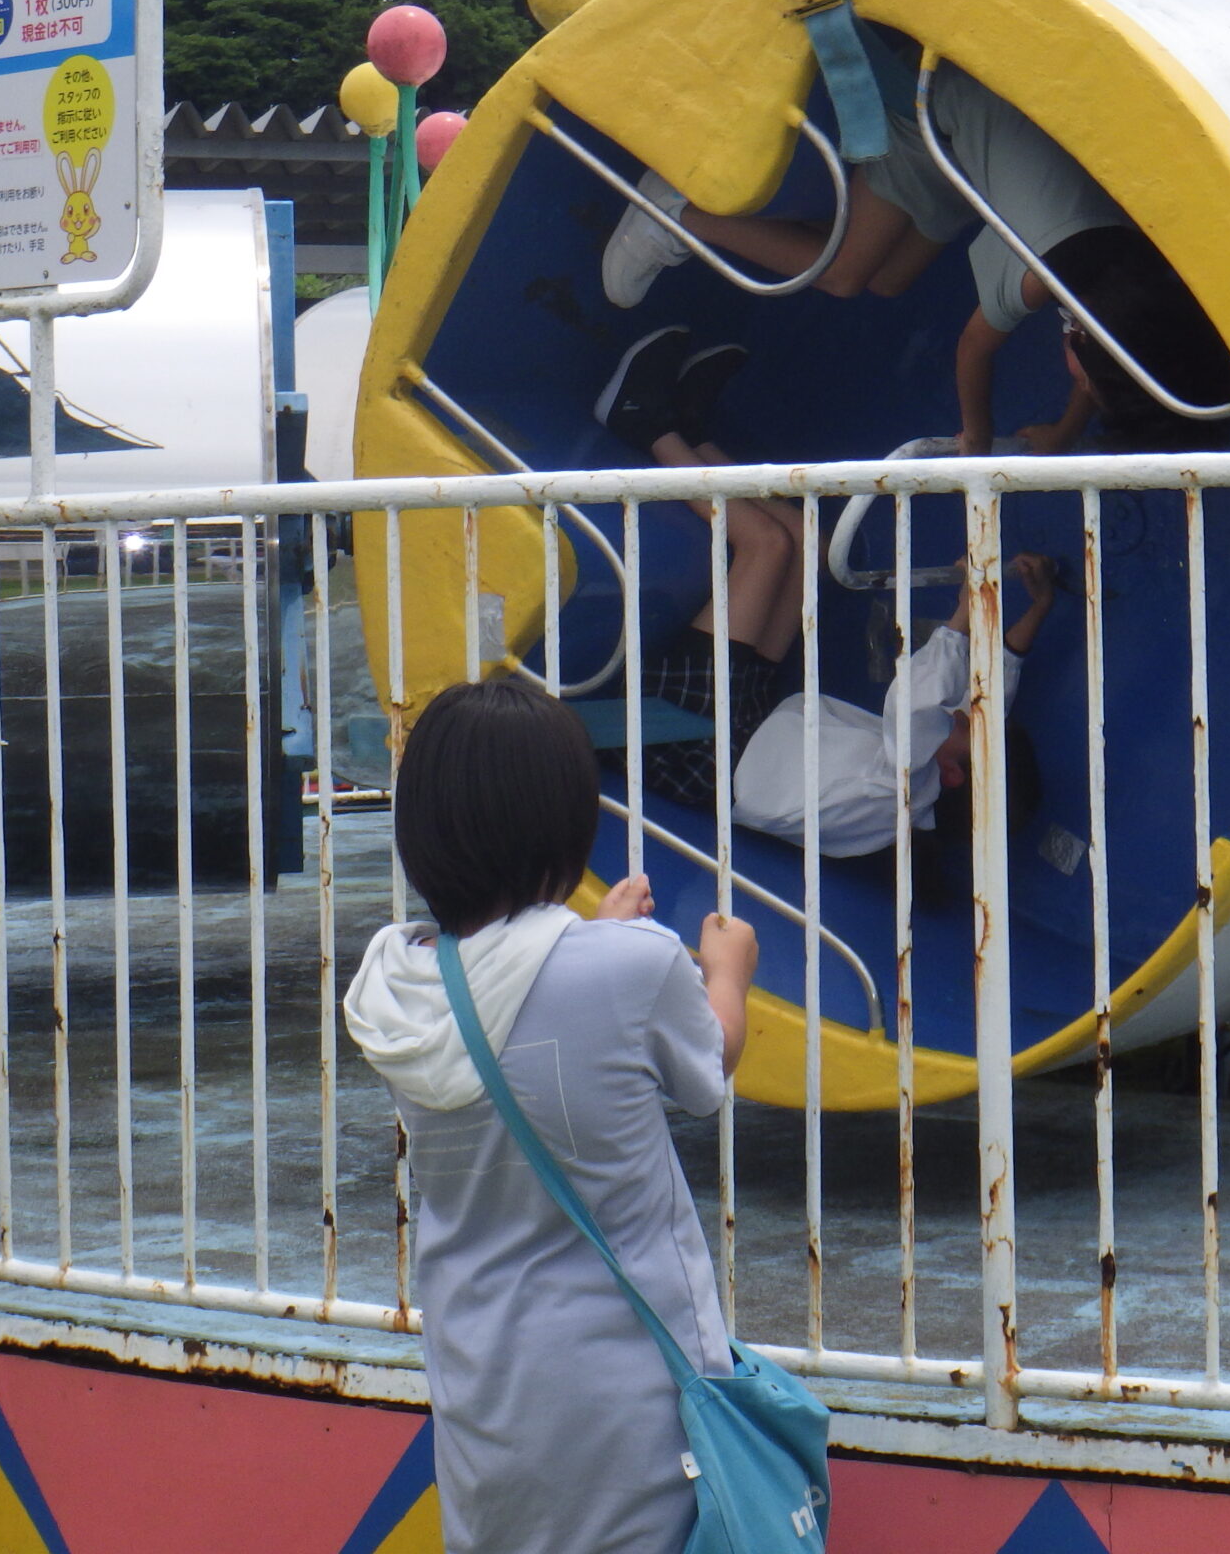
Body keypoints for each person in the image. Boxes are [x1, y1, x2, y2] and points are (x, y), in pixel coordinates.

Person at [344, 679, 760, 1554]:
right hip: (624, 1394)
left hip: (481, 1381)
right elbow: (709, 1061)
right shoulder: (628, 967)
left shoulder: (394, 986)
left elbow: (514, 999)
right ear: (564, 826)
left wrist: (594, 935)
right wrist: (729, 969)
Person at [598, 63, 1230, 454]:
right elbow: (974, 351)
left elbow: (1115, 365)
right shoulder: (1036, 274)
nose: (1074, 381)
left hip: (978, 152)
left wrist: (1071, 427)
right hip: (934, 115)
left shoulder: (1132, 280)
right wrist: (977, 439)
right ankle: (674, 211)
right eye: (1081, 382)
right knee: (848, 276)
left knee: (889, 278)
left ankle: (782, 225)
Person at [595, 324, 1061, 856]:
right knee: (812, 545)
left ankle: (645, 424)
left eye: (970, 723)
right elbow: (996, 686)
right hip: (750, 718)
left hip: (699, 743)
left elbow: (916, 700)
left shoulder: (906, 786)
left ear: (953, 774)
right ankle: (694, 437)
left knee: (767, 547)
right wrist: (1039, 606)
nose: (967, 709)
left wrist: (963, 612)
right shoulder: (936, 770)